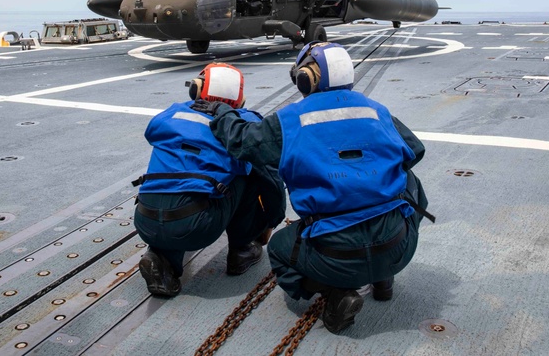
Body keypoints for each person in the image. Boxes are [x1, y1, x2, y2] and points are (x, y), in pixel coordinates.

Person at [203, 42, 432, 333]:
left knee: (279, 249)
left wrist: (221, 112)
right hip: (397, 246)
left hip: (335, 256)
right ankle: (383, 279)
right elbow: (415, 150)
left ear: (306, 78)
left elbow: (242, 142)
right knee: (412, 184)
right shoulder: (376, 110)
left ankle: (337, 294)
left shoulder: (289, 120)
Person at [133, 62, 286, 298]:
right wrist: (271, 221)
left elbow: (151, 131)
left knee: (177, 179)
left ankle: (160, 257)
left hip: (145, 219)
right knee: (249, 173)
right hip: (196, 226)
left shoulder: (173, 113)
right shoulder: (245, 123)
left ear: (197, 90)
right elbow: (271, 179)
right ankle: (241, 249)